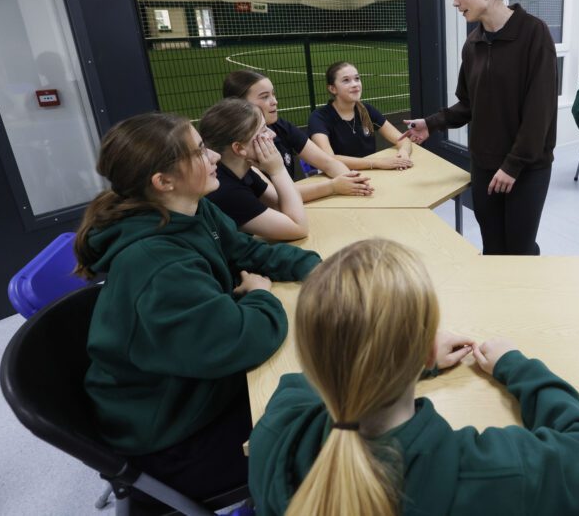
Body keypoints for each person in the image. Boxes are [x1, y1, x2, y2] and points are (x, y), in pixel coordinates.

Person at [247, 238, 579, 516]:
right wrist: (516, 365)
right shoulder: (491, 474)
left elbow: (310, 380)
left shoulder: (274, 433)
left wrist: (410, 361)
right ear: (425, 350)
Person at [74, 112, 321, 500]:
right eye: (201, 150)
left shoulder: (192, 209)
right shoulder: (157, 266)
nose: (215, 157)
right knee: (326, 431)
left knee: (319, 384)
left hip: (199, 387)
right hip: (172, 438)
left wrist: (320, 270)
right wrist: (261, 295)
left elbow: (249, 252)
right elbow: (244, 339)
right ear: (163, 181)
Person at [402, 0, 558, 255]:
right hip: (485, 165)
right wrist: (431, 123)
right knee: (493, 247)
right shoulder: (473, 44)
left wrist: (512, 165)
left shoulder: (533, 33)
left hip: (526, 168)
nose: (455, 2)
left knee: (520, 250)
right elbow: (469, 105)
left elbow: (540, 113)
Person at [223, 69, 373, 200]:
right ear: (239, 104)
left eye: (273, 94)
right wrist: (333, 186)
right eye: (264, 97)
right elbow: (276, 198)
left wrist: (352, 181)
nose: (274, 101)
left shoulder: (280, 126)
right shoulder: (240, 148)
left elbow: (327, 162)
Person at [199, 98, 309, 241]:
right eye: (263, 130)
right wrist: (278, 170)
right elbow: (299, 228)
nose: (273, 134)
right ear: (239, 148)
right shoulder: (225, 190)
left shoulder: (241, 170)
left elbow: (279, 204)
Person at [308, 61, 414, 171]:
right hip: (340, 176)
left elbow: (402, 139)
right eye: (346, 80)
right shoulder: (319, 118)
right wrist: (376, 163)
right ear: (332, 89)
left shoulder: (366, 110)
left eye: (357, 78)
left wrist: (403, 153)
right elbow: (329, 159)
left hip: (371, 173)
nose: (355, 84)